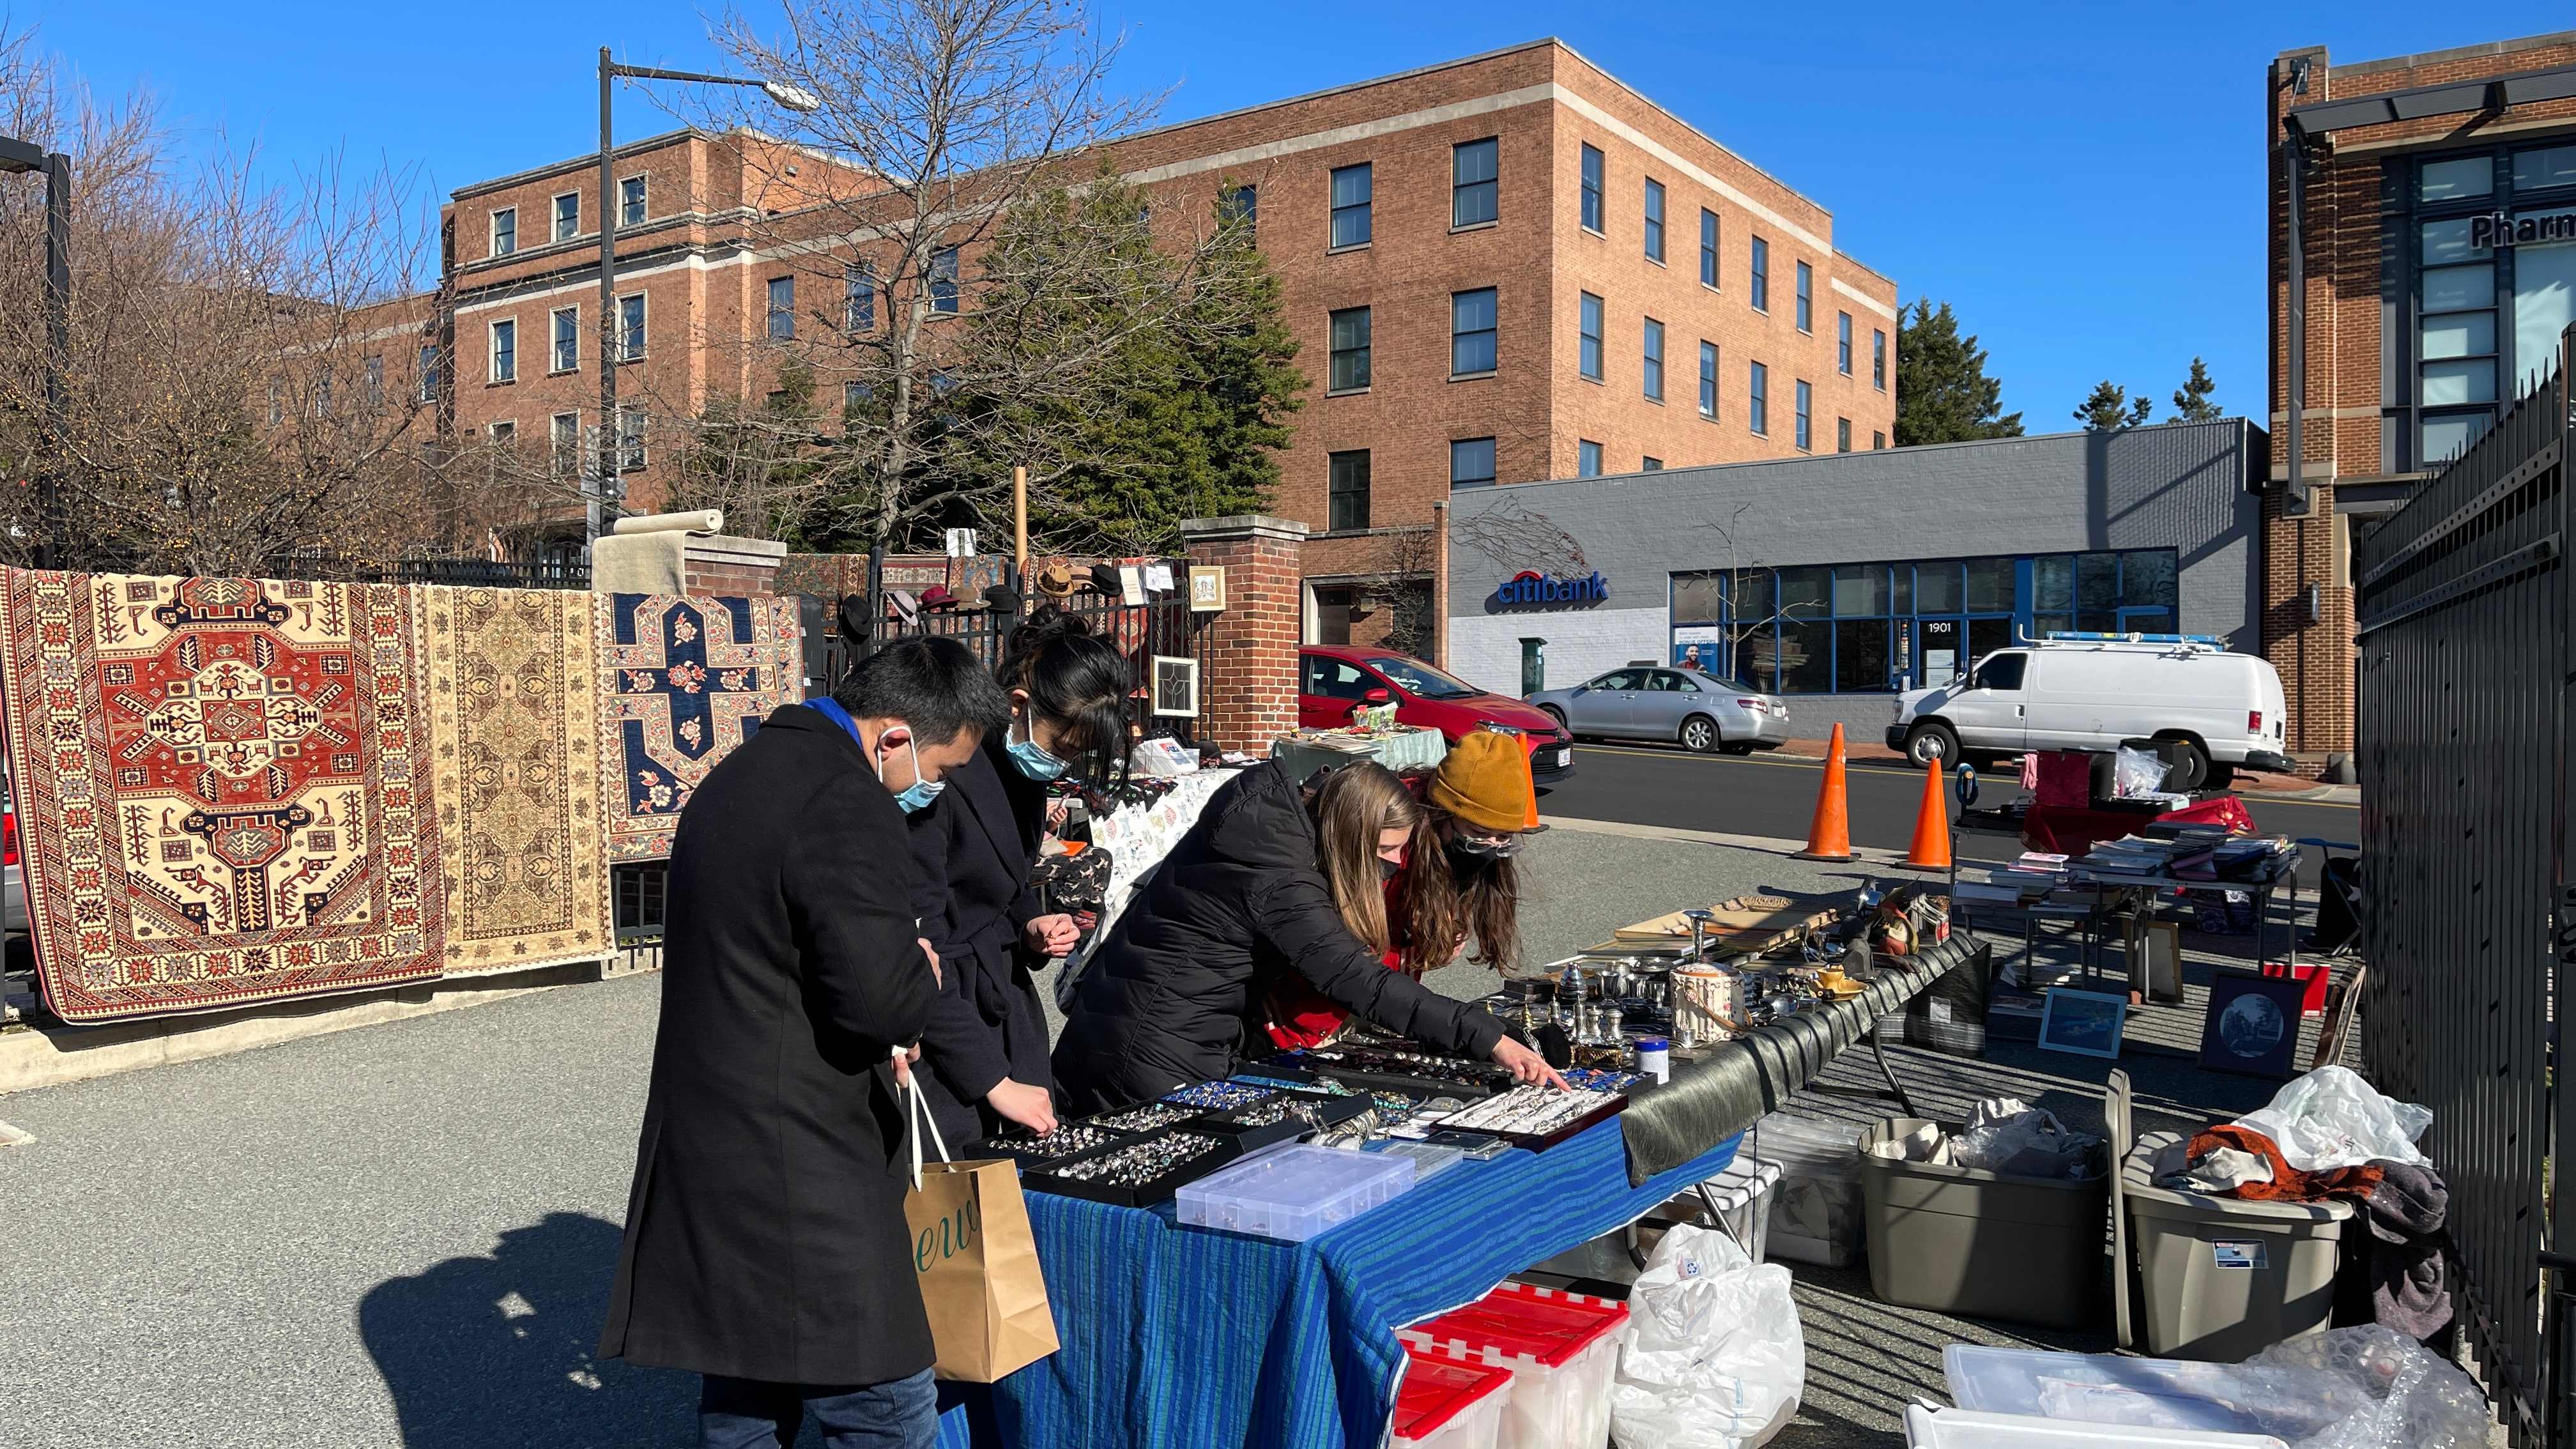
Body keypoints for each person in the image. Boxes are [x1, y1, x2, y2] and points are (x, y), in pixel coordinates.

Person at [599, 634, 1010, 1449]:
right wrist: (921, 971)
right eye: (941, 768)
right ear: (894, 736)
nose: (934, 788)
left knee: (746, 1390)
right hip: (801, 1151)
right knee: (884, 1402)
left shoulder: (741, 771)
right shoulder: (845, 799)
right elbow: (880, 1005)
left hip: (717, 1133)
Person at [1052, 756, 1562, 1113]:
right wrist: (1486, 1036)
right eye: (1385, 850)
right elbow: (1356, 978)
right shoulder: (1281, 877)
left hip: (1151, 1030)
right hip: (1149, 1047)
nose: (1393, 862)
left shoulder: (1278, 835)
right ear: (1349, 837)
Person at [906, 608, 1129, 1146]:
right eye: (1062, 748)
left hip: (1000, 1002)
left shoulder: (1023, 774)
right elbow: (919, 937)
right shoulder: (945, 770)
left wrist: (1032, 925)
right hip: (948, 1018)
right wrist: (992, 1081)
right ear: (1018, 705)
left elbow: (1005, 881)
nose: (1063, 764)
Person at [1259, 730, 1535, 1050]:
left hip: (1380, 1002)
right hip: (1309, 1011)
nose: (1490, 847)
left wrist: (1431, 942)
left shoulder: (1447, 848)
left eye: (1503, 839)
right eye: (1479, 833)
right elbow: (1341, 953)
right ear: (1442, 812)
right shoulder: (1387, 834)